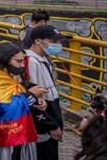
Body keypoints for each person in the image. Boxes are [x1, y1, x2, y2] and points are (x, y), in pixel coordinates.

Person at [0, 43, 42, 160]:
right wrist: (32, 96)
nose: (22, 66)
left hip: (4, 133)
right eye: (19, 61)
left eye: (23, 62)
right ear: (4, 59)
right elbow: (4, 108)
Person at [24, 25, 66, 160]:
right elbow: (35, 99)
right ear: (37, 41)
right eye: (53, 41)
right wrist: (51, 125)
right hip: (43, 124)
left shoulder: (44, 59)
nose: (58, 45)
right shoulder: (31, 61)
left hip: (51, 115)